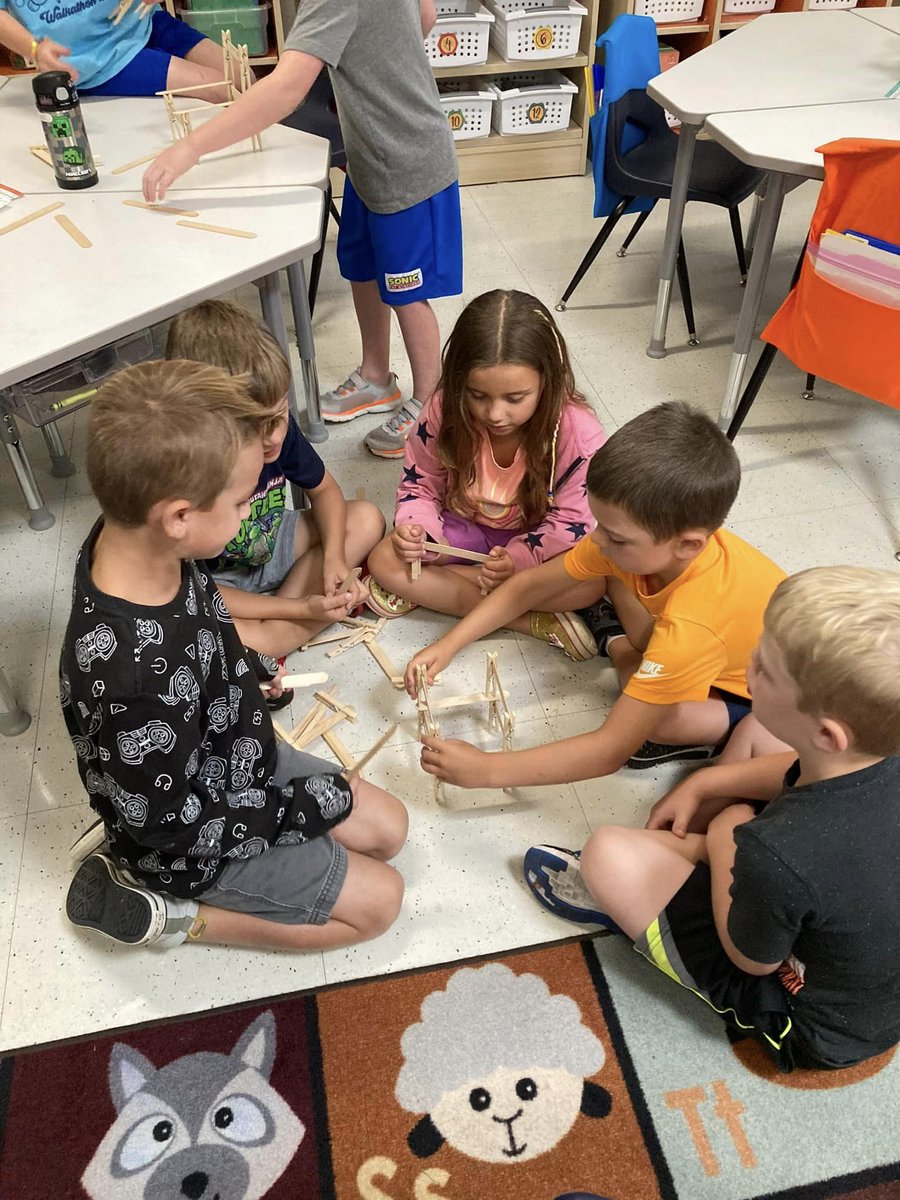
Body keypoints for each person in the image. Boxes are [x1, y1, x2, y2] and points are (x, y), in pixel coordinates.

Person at [62, 359, 407, 953]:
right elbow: (174, 823)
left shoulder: (142, 542)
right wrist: (289, 812)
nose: (253, 513)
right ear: (179, 517)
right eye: (244, 500)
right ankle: (173, 916)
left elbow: (203, 625)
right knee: (380, 905)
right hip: (185, 842)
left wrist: (240, 674)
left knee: (389, 830)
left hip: (238, 757)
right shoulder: (128, 679)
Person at [526, 567, 900, 1071]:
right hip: (857, 939)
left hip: (810, 1020)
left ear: (829, 733)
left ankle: (648, 915)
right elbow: (795, 767)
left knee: (607, 853)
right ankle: (694, 855)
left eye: (765, 669)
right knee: (757, 748)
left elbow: (752, 958)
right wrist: (707, 783)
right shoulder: (871, 745)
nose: (749, 663)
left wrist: (727, 834)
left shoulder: (777, 853)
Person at [142, 0, 462, 460]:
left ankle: (432, 406)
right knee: (363, 269)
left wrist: (191, 148)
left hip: (407, 166)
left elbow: (287, 88)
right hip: (371, 159)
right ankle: (376, 377)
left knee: (406, 292)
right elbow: (426, 16)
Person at [407, 401, 786, 776]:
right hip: (708, 642)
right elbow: (525, 588)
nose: (597, 540)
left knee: (656, 720)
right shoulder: (638, 543)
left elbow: (609, 750)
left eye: (616, 537)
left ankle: (643, 666)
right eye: (599, 523)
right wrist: (448, 645)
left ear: (687, 544)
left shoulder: (693, 627)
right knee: (613, 577)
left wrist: (486, 769)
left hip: (761, 697)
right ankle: (621, 644)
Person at [364, 290, 607, 656]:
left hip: (534, 544)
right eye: (478, 395)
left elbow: (574, 520)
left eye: (515, 398)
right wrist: (417, 529)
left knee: (590, 584)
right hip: (461, 531)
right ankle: (527, 619)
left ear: (548, 380)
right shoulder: (444, 409)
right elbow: (420, 484)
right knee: (384, 559)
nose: (494, 414)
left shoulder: (578, 433)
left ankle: (441, 593)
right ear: (459, 379)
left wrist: (521, 558)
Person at [166, 300, 381, 664]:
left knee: (365, 518)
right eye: (254, 427)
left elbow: (325, 490)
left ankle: (279, 631)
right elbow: (195, 590)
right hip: (217, 586)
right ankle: (282, 630)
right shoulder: (181, 474)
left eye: (280, 414)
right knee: (190, 631)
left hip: (271, 544)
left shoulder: (275, 429)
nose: (273, 437)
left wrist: (334, 559)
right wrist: (299, 608)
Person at [0, 0, 249, 100]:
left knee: (243, 77)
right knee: (221, 89)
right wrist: (34, 49)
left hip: (143, 19)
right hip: (97, 59)